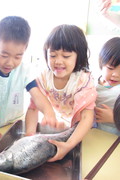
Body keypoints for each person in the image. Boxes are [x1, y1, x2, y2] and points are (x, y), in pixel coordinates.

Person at [0, 16, 56, 144]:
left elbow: (37, 95)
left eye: (18, 57)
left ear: (25, 49)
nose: (10, 63)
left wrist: (48, 112)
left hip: (13, 125)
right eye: (4, 55)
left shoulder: (25, 70)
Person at [25, 24, 97, 162]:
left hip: (82, 127)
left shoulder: (83, 80)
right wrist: (30, 134)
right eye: (52, 55)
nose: (58, 61)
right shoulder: (44, 77)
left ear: (79, 56)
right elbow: (33, 107)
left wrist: (69, 145)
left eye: (66, 56)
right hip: (62, 123)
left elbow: (87, 117)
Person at [95, 37, 120, 135]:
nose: (116, 75)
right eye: (111, 68)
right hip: (95, 132)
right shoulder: (91, 83)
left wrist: (114, 118)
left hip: (114, 138)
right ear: (101, 64)